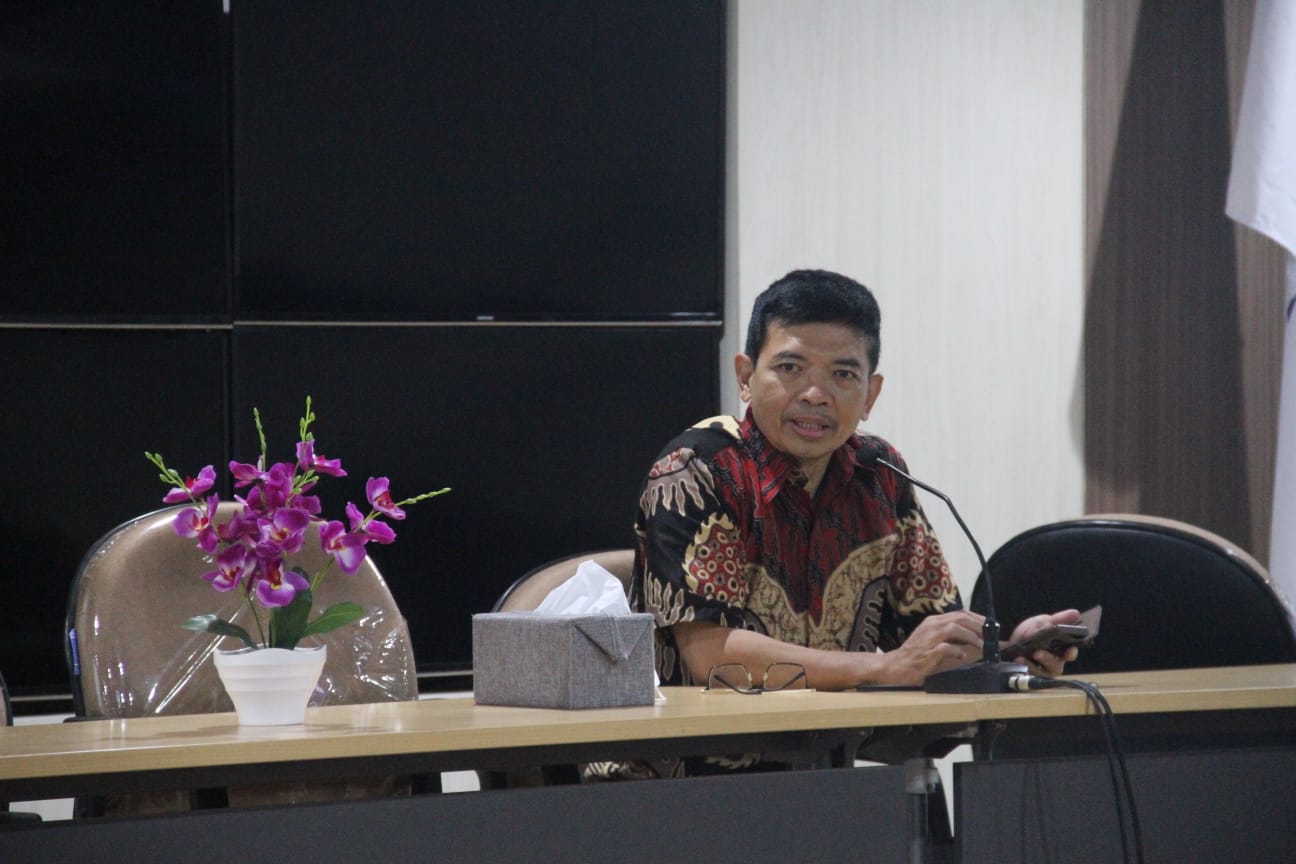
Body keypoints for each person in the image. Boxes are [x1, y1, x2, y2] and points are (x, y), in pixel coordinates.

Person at [615, 269, 1079, 778]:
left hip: (825, 782)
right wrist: (885, 667)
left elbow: (928, 641)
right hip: (680, 785)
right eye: (790, 367)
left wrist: (1005, 653)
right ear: (745, 376)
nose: (816, 394)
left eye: (842, 374)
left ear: (870, 394)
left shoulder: (879, 475)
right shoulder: (697, 469)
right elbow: (711, 656)